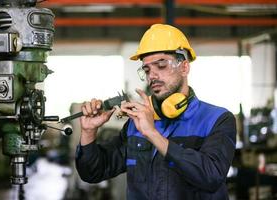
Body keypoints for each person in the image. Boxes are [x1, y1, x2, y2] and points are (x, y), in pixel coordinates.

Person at [75, 24, 236, 200]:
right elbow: (93, 173)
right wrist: (89, 133)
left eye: (161, 65)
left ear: (184, 67)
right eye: (147, 69)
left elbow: (211, 176)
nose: (152, 76)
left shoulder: (216, 119)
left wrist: (153, 134)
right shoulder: (136, 124)